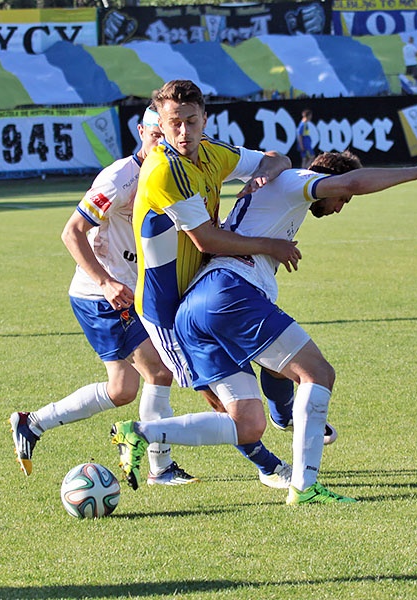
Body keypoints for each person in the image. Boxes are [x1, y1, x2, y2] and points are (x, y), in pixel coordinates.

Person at [112, 151, 417, 505]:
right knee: (318, 373)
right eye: (342, 199)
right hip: (231, 292)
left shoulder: (279, 188)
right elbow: (352, 180)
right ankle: (305, 486)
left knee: (247, 423)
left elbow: (273, 159)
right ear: (327, 182)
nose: (341, 206)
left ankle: (142, 431)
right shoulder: (297, 182)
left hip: (196, 307)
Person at [119, 79, 301, 490]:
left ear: (205, 119)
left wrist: (262, 175)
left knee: (235, 396)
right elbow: (208, 239)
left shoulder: (213, 153)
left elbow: (276, 158)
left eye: (191, 121)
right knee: (221, 400)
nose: (183, 132)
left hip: (201, 291)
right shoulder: (165, 169)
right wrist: (270, 244)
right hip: (167, 307)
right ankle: (267, 465)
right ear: (159, 126)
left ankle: (266, 452)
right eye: (173, 124)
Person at [8, 107, 197, 485]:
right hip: (102, 294)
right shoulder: (120, 179)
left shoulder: (171, 172)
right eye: (155, 134)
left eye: (169, 132)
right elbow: (72, 232)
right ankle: (160, 466)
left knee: (122, 389)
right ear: (142, 131)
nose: (162, 141)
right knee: (160, 372)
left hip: (136, 290)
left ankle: (33, 423)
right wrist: (106, 282)